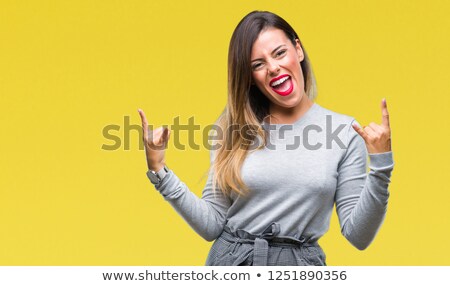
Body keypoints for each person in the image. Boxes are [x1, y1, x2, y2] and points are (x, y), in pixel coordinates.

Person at [137, 10, 394, 266]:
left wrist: (381, 165)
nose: (273, 68)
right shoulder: (231, 130)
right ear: (249, 77)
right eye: (258, 64)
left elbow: (358, 236)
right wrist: (160, 170)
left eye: (280, 53)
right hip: (231, 264)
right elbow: (212, 225)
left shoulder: (345, 132)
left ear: (298, 50)